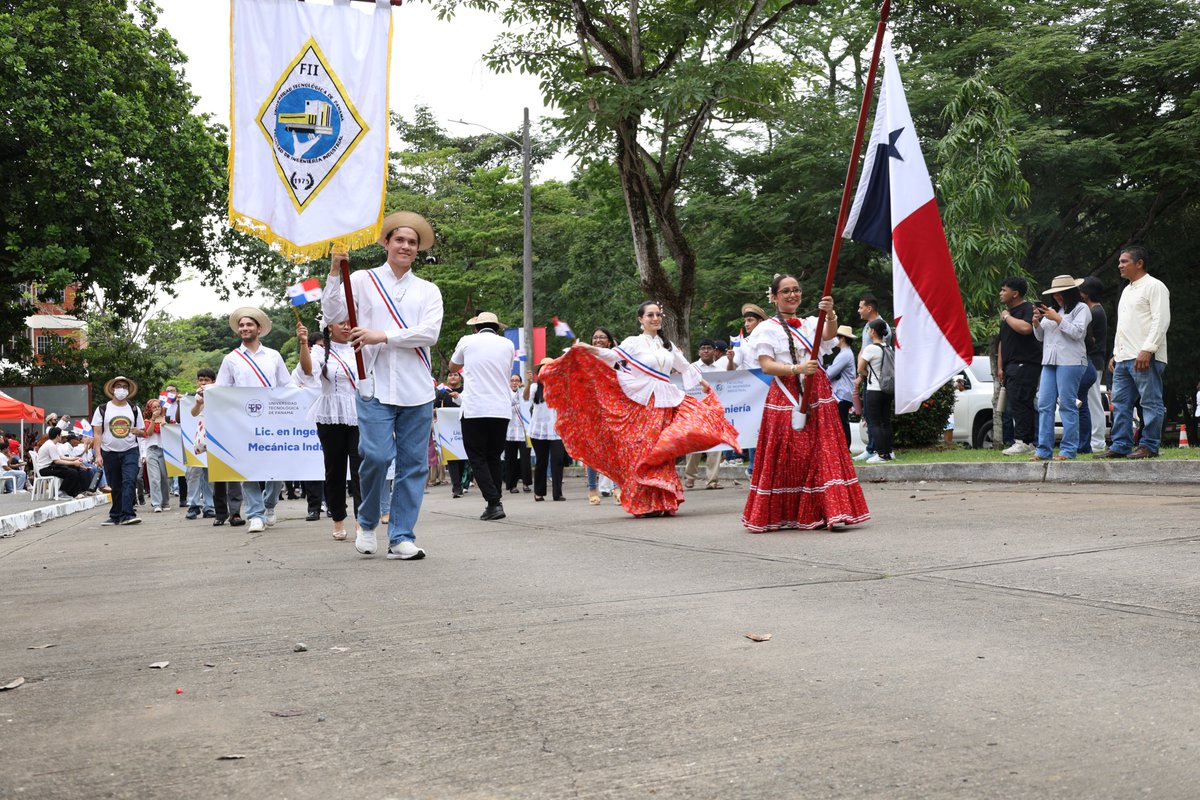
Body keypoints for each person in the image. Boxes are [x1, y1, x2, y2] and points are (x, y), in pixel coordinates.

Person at [544, 301, 739, 518]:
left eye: (657, 315)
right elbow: (612, 356)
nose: (655, 318)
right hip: (643, 401)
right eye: (650, 315)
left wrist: (703, 384)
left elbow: (684, 366)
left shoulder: (667, 345)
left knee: (662, 452)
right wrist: (589, 348)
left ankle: (663, 501)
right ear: (641, 319)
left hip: (665, 402)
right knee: (645, 451)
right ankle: (644, 502)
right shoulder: (633, 342)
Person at [324, 210, 443, 561]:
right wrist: (335, 270)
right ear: (387, 243)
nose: (405, 246)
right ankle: (367, 520)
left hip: (417, 388)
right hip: (372, 384)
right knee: (375, 456)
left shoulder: (428, 290)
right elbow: (333, 315)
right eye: (399, 240)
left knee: (414, 465)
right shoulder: (362, 280)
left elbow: (429, 334)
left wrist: (382, 335)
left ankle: (401, 536)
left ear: (417, 249)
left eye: (412, 242)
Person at [742, 274, 869, 532]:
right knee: (790, 451)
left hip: (817, 390)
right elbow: (767, 365)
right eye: (786, 291)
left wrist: (830, 314)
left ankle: (829, 509)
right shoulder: (766, 329)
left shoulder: (812, 322)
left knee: (822, 449)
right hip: (786, 391)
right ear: (774, 297)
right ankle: (788, 511)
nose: (792, 295)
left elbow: (829, 336)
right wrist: (797, 368)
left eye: (796, 290)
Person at [216, 306, 292, 533]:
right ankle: (255, 514)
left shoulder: (274, 356)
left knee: (276, 467)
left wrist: (302, 392)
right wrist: (205, 394)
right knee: (248, 469)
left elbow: (285, 385)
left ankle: (270, 504)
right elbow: (221, 389)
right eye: (241, 325)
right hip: (244, 421)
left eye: (249, 324)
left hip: (273, 420)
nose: (244, 328)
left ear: (259, 329)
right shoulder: (231, 359)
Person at [1098, 246, 1171, 459]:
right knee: (1120, 404)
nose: (1119, 266)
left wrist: (1147, 349)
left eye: (1124, 261)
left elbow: (1161, 320)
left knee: (1150, 403)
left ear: (1139, 263)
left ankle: (1149, 445)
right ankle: (1120, 445)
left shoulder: (1155, 286)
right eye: (1119, 262)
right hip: (1123, 358)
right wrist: (1115, 353)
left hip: (1145, 356)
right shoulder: (1128, 290)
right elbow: (1125, 326)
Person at [296, 318, 362, 541]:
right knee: (334, 469)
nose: (346, 326)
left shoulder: (361, 348)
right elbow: (307, 371)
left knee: (360, 468)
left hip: (358, 413)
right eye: (340, 322)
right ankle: (338, 519)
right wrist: (304, 343)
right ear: (328, 327)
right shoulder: (320, 351)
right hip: (329, 413)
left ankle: (361, 521)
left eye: (349, 322)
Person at [448, 312, 516, 521]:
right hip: (500, 408)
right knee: (494, 456)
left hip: (476, 407)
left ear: (476, 328)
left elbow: (453, 367)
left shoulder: (467, 340)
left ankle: (494, 502)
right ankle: (495, 501)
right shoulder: (507, 344)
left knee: (477, 456)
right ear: (496, 328)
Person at [1030, 275, 1092, 461]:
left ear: (1071, 292)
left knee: (1067, 404)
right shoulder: (1052, 310)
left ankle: (1068, 449)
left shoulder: (1082, 309)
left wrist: (1058, 319)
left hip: (1071, 361)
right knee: (1044, 404)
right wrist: (1036, 323)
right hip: (1049, 361)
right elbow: (1041, 337)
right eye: (1055, 294)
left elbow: (1078, 333)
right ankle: (1043, 450)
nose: (1057, 297)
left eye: (1061, 293)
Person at [91, 376, 146, 525]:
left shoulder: (134, 409)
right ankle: (115, 514)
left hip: (130, 450)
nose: (122, 389)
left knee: (129, 481)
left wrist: (138, 432)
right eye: (119, 386)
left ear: (128, 390)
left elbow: (142, 431)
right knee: (115, 485)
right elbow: (97, 433)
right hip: (109, 451)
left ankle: (128, 514)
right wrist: (98, 455)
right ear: (113, 389)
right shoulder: (103, 409)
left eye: (125, 386)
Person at [997, 276, 1042, 456]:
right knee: (1017, 402)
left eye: (1004, 290)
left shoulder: (1027, 308)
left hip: (1026, 363)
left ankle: (1023, 440)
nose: (1001, 293)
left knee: (1022, 402)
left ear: (1015, 294)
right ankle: (1027, 441)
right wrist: (1000, 367)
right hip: (1010, 366)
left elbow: (1026, 328)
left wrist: (1007, 317)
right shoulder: (1007, 313)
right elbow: (1002, 342)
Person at [852, 294, 891, 462]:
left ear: (869, 308)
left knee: (876, 418)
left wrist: (861, 375)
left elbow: (873, 356)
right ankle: (872, 449)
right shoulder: (868, 326)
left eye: (861, 307)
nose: (859, 310)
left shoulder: (880, 327)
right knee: (872, 416)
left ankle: (880, 450)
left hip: (875, 380)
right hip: (870, 378)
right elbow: (863, 349)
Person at [683, 339, 726, 490]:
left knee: (715, 446)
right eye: (703, 348)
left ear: (715, 351)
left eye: (709, 348)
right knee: (693, 446)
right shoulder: (691, 368)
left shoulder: (721, 368)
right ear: (699, 352)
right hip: (695, 411)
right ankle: (690, 477)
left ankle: (712, 480)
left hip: (714, 412)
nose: (706, 351)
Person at [582, 327, 618, 505]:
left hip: (614, 407)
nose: (597, 340)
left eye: (602, 337)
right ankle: (592, 488)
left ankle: (619, 488)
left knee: (616, 448)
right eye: (595, 337)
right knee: (593, 450)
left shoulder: (616, 359)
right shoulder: (586, 360)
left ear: (609, 342)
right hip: (592, 408)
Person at [526, 358, 567, 502]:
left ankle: (558, 493)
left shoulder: (560, 386)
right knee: (541, 461)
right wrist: (529, 382)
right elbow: (525, 399)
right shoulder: (534, 387)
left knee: (558, 460)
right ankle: (539, 492)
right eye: (543, 368)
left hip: (556, 429)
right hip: (539, 429)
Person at [1076, 277, 1108, 454]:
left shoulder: (1094, 312)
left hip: (1093, 361)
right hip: (1093, 361)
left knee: (1093, 401)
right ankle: (1093, 439)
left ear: (1086, 294)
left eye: (1080, 291)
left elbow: (1089, 340)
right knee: (1088, 400)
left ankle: (1097, 441)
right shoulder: (1094, 310)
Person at [184, 368, 217, 520]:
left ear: (213, 382)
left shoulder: (218, 396)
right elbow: (193, 413)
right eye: (201, 380)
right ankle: (193, 505)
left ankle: (209, 506)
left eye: (207, 380)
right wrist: (199, 402)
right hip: (196, 440)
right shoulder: (193, 396)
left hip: (213, 440)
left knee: (209, 475)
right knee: (193, 473)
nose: (203, 383)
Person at [825, 325, 858, 448]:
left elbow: (830, 373)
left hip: (841, 393)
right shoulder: (846, 353)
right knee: (842, 421)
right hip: (844, 393)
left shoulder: (844, 355)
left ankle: (845, 447)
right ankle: (844, 447)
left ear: (842, 338)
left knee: (841, 422)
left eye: (836, 337)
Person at [435, 372, 467, 498]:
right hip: (449, 432)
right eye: (450, 375)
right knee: (452, 458)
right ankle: (457, 487)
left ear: (460, 378)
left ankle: (460, 483)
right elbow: (435, 408)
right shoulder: (443, 393)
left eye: (455, 375)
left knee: (462, 458)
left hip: (464, 429)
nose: (452, 377)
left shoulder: (465, 391)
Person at [504, 373, 533, 495]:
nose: (514, 382)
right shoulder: (504, 393)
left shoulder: (524, 393)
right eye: (512, 380)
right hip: (509, 431)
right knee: (510, 459)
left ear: (520, 382)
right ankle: (512, 484)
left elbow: (528, 404)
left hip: (523, 431)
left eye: (517, 380)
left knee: (525, 458)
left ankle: (526, 483)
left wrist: (529, 382)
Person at [141, 397, 171, 512]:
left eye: (158, 406)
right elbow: (148, 433)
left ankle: (165, 502)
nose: (157, 409)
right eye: (154, 407)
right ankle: (156, 504)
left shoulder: (165, 419)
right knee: (154, 478)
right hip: (151, 450)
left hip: (164, 451)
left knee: (165, 478)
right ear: (149, 409)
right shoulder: (147, 421)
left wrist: (165, 424)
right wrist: (153, 419)